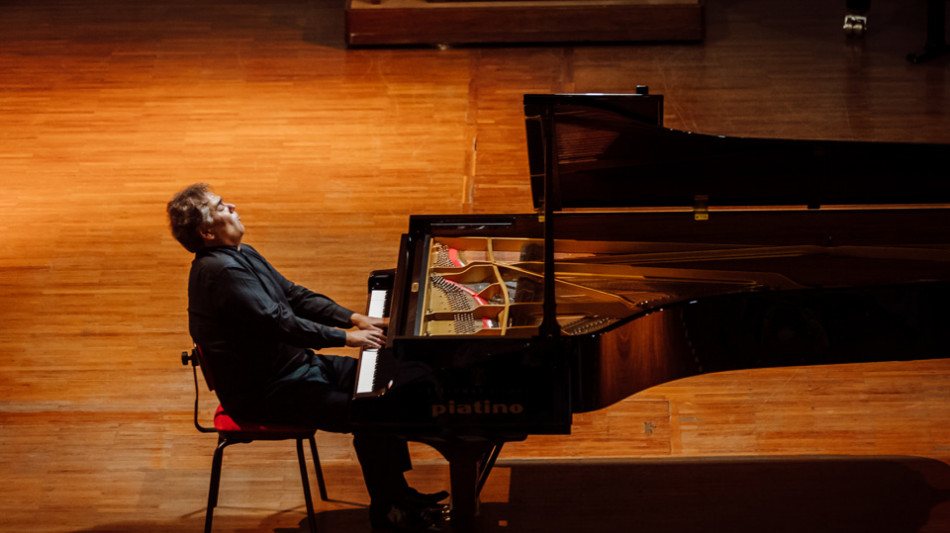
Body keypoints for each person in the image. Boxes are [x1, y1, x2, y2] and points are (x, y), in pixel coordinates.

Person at [166, 183, 446, 531]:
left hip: (298, 368)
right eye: (221, 207)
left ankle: (398, 496)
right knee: (373, 411)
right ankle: (391, 513)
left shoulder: (242, 253)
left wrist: (353, 317)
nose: (233, 206)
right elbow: (279, 322)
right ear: (207, 232)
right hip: (267, 392)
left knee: (390, 385)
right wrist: (346, 338)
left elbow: (294, 296)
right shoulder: (220, 273)